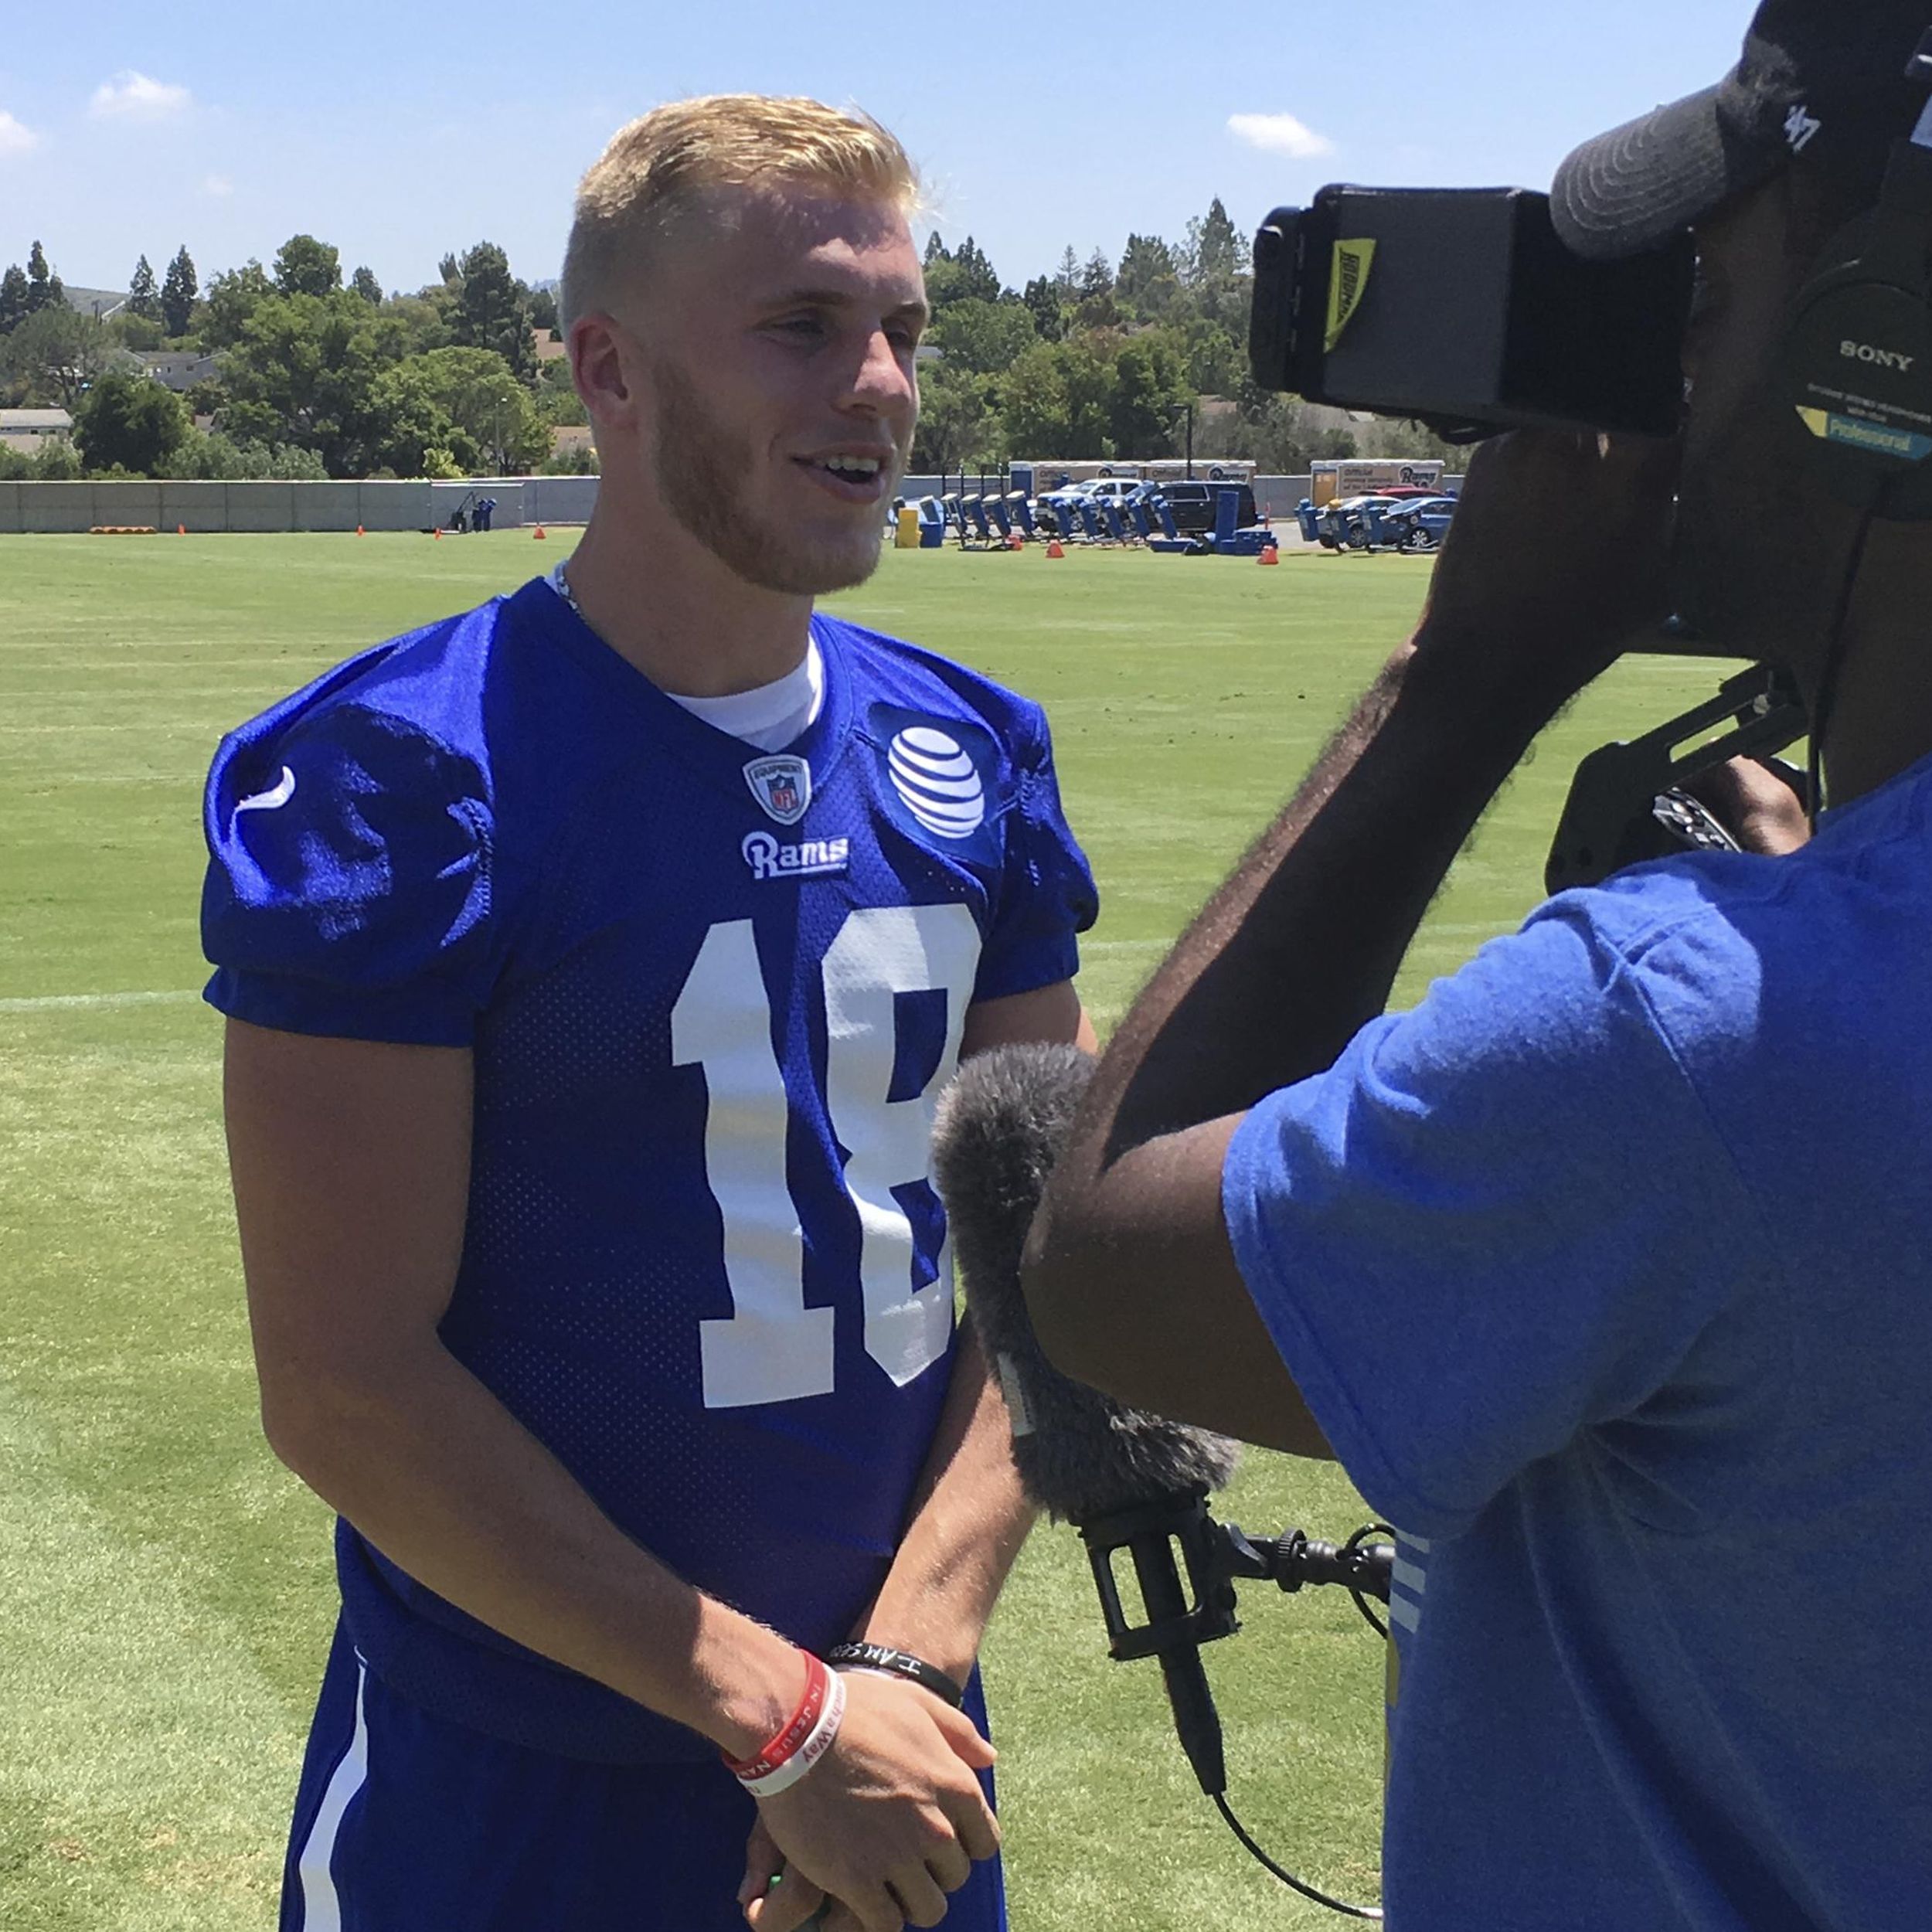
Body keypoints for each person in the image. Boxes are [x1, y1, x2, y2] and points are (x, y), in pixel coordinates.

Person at [1024, 6, 1932, 1928]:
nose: (1667, 349)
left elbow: (1103, 1266)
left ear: (1883, 339)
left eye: (1716, 280)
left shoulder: (1689, 1036)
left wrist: (1458, 687)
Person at [202, 94, 1096, 1932]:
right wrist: (776, 1718)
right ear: (607, 372)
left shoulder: (968, 751)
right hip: (519, 1785)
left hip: (900, 1759)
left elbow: (1042, 1260)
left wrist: (907, 1662)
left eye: (902, 332)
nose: (876, 383)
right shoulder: (401, 771)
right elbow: (347, 1382)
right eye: (801, 327)